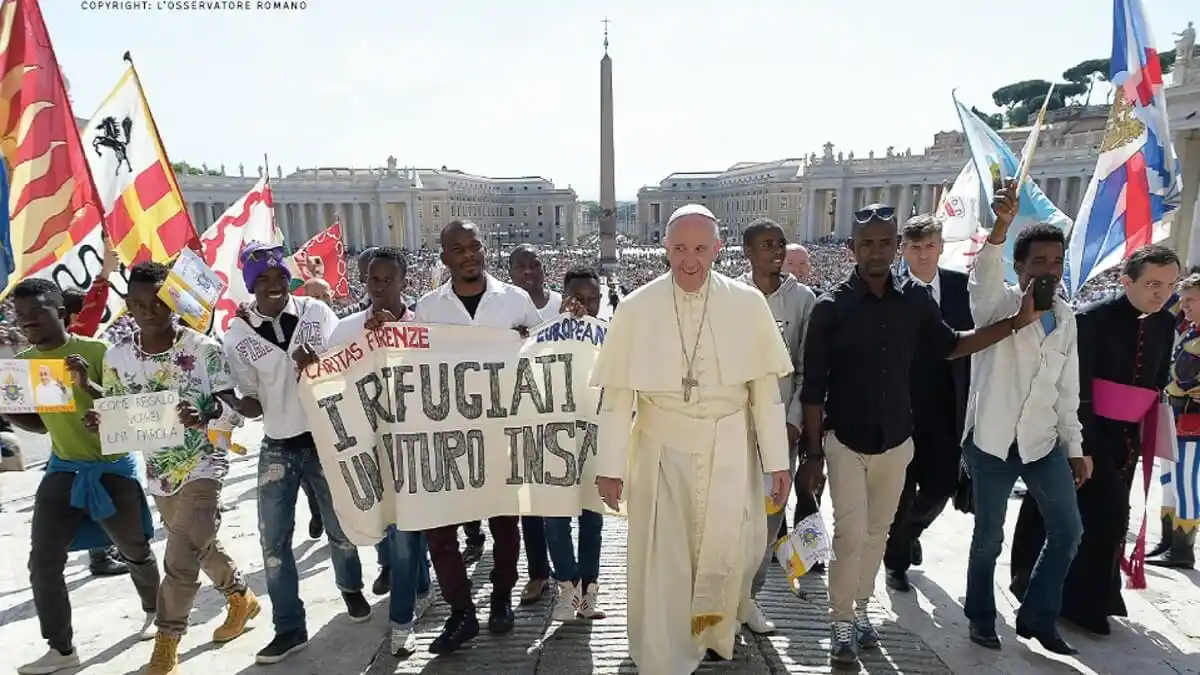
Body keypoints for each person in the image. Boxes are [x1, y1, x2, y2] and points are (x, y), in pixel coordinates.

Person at [800, 201, 1041, 665]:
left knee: (877, 533)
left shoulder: (914, 302)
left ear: (896, 247)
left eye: (884, 243)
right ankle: (839, 620)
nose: (875, 251)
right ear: (852, 248)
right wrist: (812, 456)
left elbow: (953, 345)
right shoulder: (830, 308)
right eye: (866, 243)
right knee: (850, 534)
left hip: (897, 441)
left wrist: (1015, 323)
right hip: (844, 440)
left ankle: (863, 608)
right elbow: (813, 389)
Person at [589, 204, 794, 674]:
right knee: (667, 560)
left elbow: (765, 393)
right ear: (665, 247)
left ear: (718, 250)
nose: (689, 260)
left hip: (730, 449)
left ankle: (715, 632)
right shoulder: (638, 307)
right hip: (662, 453)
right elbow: (618, 399)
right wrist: (610, 468)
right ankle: (665, 650)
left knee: (735, 550)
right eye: (680, 248)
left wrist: (776, 463)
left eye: (700, 249)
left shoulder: (747, 304)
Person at [90, 262, 258, 674]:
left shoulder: (204, 350)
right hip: (160, 472)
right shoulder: (117, 357)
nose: (150, 310)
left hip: (205, 462)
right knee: (200, 546)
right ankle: (240, 595)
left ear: (175, 300)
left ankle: (167, 644)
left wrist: (203, 415)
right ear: (128, 306)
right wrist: (101, 419)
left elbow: (232, 411)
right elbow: (120, 413)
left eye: (159, 301)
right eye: (139, 303)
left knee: (180, 557)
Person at [1010, 243, 1179, 636]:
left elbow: (1154, 379)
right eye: (1153, 283)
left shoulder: (1165, 323)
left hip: (1129, 436)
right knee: (1093, 512)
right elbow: (1076, 386)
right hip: (1087, 429)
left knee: (1107, 517)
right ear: (1126, 281)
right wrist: (1079, 446)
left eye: (1169, 285)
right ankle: (1067, 599)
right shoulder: (1091, 319)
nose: (1162, 293)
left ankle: (1098, 595)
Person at [5, 278, 160, 675]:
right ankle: (61, 649)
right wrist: (6, 404)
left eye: (37, 312)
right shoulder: (23, 362)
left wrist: (87, 387)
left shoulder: (96, 351)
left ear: (61, 312)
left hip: (112, 467)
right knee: (42, 563)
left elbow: (134, 411)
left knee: (135, 550)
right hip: (63, 467)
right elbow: (41, 426)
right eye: (21, 316)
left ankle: (156, 613)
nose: (28, 322)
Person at [223, 242, 368, 665]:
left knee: (342, 529)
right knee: (274, 542)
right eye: (262, 280)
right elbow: (252, 403)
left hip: (325, 437)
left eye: (279, 277)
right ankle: (289, 626)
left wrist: (316, 366)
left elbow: (346, 364)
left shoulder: (317, 314)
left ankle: (351, 589)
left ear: (290, 278)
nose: (273, 286)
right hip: (279, 445)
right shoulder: (238, 334)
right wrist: (222, 402)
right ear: (251, 286)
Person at [961, 182, 1088, 656]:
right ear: (1020, 266)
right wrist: (1000, 225)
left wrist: (1075, 449)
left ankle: (1037, 616)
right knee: (987, 537)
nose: (1048, 271)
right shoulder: (998, 303)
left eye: (1055, 263)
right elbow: (983, 274)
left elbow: (1067, 390)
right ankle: (979, 617)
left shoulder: (1067, 318)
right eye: (1038, 262)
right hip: (992, 442)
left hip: (1041, 443)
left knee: (1069, 530)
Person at [412, 221, 543, 654]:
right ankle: (461, 611)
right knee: (439, 531)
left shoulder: (516, 301)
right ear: (444, 256)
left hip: (501, 431)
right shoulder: (429, 307)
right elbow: (410, 365)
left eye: (474, 246)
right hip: (447, 435)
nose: (469, 254)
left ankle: (502, 594)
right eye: (458, 248)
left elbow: (545, 353)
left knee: (506, 523)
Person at [327, 247, 435, 656]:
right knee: (395, 535)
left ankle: (404, 613)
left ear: (405, 282)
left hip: (419, 447)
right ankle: (412, 600)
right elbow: (329, 381)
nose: (380, 286)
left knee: (409, 533)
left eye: (389, 279)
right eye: (373, 278)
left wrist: (397, 341)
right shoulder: (346, 329)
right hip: (371, 450)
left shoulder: (426, 324)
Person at [883, 215, 973, 592]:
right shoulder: (891, 291)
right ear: (903, 249)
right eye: (914, 247)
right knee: (902, 490)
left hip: (947, 403)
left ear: (940, 247)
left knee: (941, 486)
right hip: (902, 406)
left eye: (929, 246)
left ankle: (907, 532)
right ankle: (896, 561)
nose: (922, 254)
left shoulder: (962, 288)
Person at [737, 217, 816, 633]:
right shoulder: (728, 295)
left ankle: (749, 599)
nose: (777, 251)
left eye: (781, 244)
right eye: (767, 245)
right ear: (747, 251)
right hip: (731, 431)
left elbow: (806, 370)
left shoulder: (804, 300)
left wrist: (794, 421)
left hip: (780, 435)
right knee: (727, 521)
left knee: (768, 525)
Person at [544, 265, 608, 622]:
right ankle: (566, 585)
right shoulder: (545, 335)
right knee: (554, 518)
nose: (585, 306)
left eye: (592, 299)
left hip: (594, 440)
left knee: (592, 519)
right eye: (577, 299)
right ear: (564, 297)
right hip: (554, 440)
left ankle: (588, 592)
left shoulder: (610, 335)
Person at [63, 240, 128, 578]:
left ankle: (104, 550)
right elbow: (92, 312)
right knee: (102, 490)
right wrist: (104, 274)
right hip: (91, 429)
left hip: (80, 429)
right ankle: (101, 554)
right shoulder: (72, 336)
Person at [506, 244, 558, 604]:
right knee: (529, 504)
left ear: (543, 266)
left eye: (533, 264)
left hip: (561, 415)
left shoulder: (562, 304)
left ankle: (569, 571)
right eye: (520, 266)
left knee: (563, 500)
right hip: (518, 414)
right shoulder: (502, 308)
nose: (527, 271)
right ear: (510, 272)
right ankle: (538, 572)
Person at [1151, 270, 1200, 569]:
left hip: (1193, 421)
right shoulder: (1191, 330)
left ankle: (1183, 549)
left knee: (1185, 483)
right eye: (1183, 300)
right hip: (1173, 415)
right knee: (1168, 479)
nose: (1185, 306)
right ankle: (1168, 540)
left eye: (1192, 299)